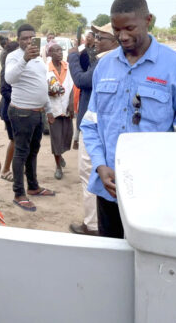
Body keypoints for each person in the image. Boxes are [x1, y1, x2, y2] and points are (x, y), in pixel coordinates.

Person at [81, 0, 176, 238]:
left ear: (148, 20)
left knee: (149, 262)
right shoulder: (104, 66)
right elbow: (91, 124)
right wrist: (100, 165)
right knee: (111, 259)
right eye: (116, 30)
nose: (122, 36)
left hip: (154, 192)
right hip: (109, 188)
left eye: (129, 28)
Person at [68, 24, 118, 236]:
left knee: (89, 175)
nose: (96, 40)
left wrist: (71, 56)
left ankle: (92, 225)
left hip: (94, 129)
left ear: (115, 40)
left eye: (101, 37)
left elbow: (80, 80)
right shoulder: (110, 59)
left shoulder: (106, 62)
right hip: (99, 127)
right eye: (95, 36)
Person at [5, 23, 56, 212]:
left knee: (33, 151)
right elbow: (10, 79)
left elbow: (41, 84)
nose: (28, 41)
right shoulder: (14, 57)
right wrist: (24, 59)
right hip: (22, 113)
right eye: (25, 38)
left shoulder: (38, 59)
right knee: (21, 153)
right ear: (18, 40)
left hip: (38, 112)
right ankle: (19, 193)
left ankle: (33, 187)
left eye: (31, 38)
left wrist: (49, 109)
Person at [46, 43, 75, 180]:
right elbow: (41, 89)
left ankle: (60, 154)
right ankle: (57, 166)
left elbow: (72, 86)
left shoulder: (67, 66)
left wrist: (71, 103)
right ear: (50, 53)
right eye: (56, 51)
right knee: (56, 138)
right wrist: (49, 92)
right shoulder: (46, 68)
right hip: (53, 108)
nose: (60, 52)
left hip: (66, 108)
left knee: (66, 136)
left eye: (60, 50)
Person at [0, 41, 19, 182]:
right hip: (9, 110)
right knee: (14, 140)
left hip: (18, 108)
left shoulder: (19, 67)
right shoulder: (7, 68)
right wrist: (18, 101)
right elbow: (4, 90)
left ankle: (19, 167)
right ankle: (5, 170)